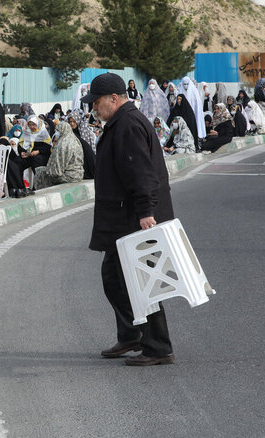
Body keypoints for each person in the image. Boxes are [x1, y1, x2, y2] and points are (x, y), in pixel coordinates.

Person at [81, 72, 175, 366]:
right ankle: (133, 333)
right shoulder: (119, 123)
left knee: (141, 282)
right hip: (125, 216)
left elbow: (142, 173)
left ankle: (158, 347)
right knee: (115, 278)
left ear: (113, 98)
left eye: (96, 103)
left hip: (135, 218)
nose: (94, 109)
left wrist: (146, 211)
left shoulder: (128, 125)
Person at [33, 122, 84, 190]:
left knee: (40, 172)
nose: (56, 133)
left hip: (70, 176)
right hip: (78, 174)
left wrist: (49, 171)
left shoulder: (63, 144)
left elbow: (57, 170)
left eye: (57, 130)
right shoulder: (75, 140)